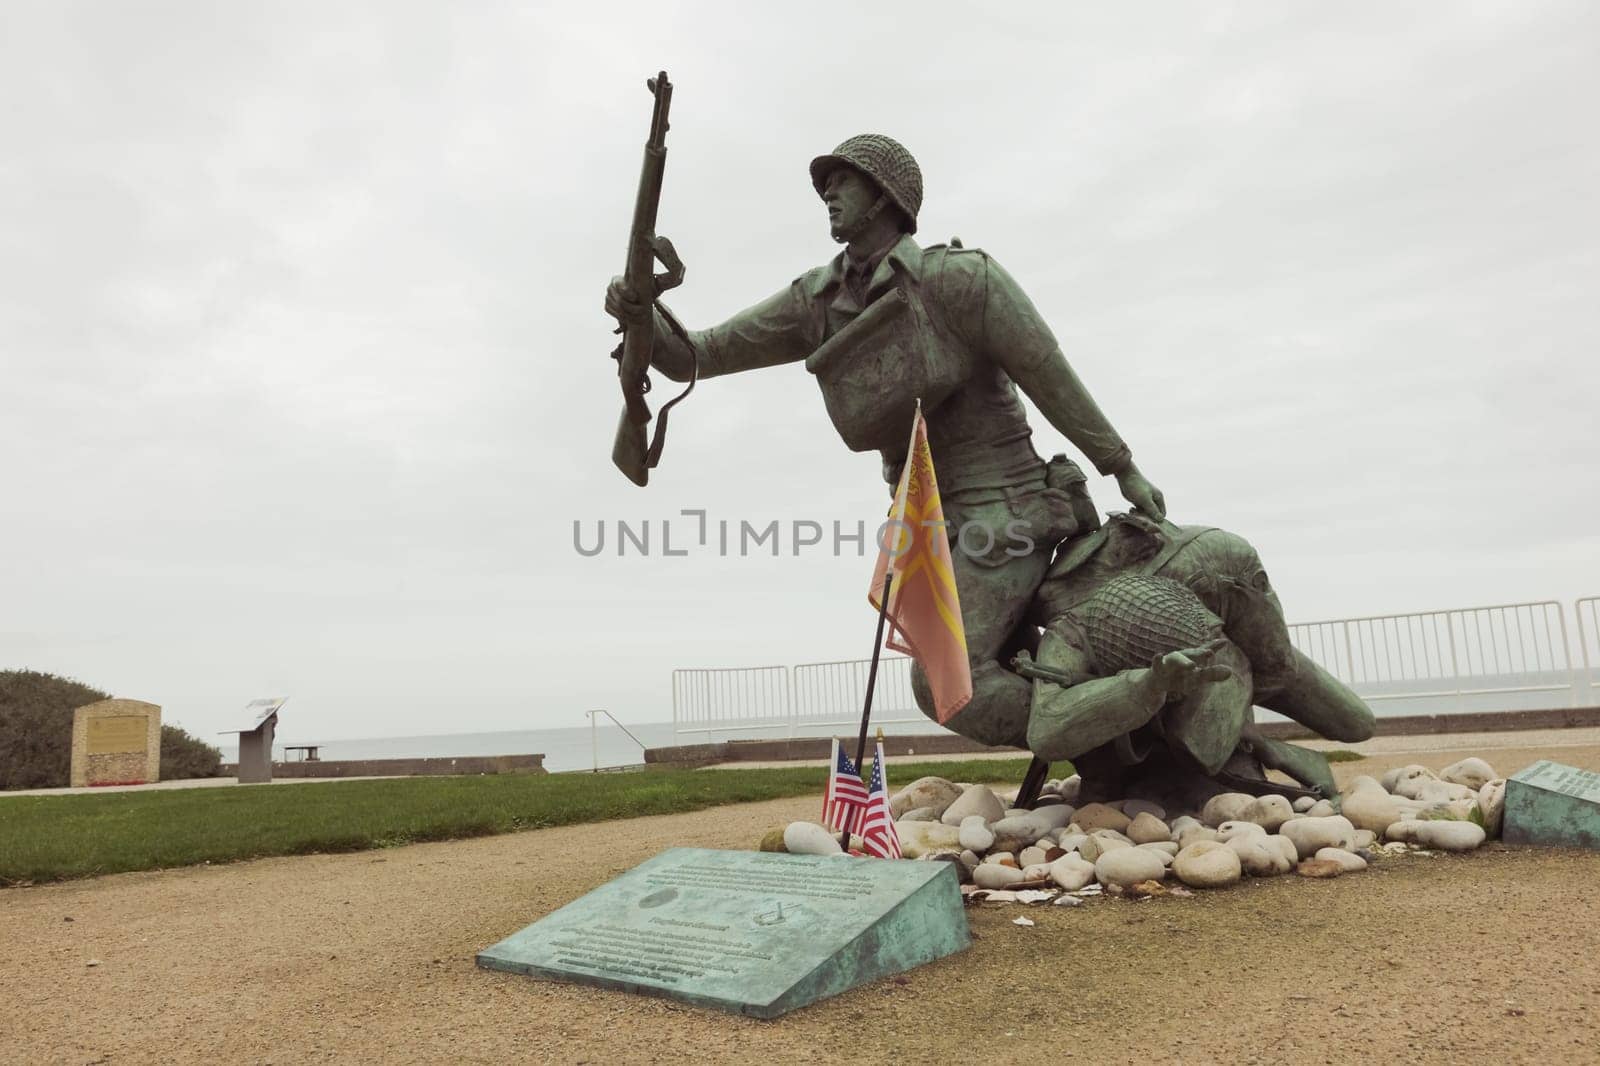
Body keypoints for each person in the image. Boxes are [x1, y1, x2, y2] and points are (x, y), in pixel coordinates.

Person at [605, 134, 1166, 748]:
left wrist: (1121, 466)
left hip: (1005, 510)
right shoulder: (815, 298)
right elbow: (698, 355)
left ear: (887, 196)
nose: (828, 193)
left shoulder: (959, 280)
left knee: (946, 684)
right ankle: (1114, 727)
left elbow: (1047, 372)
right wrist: (641, 312)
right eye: (827, 184)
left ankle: (1123, 725)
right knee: (947, 682)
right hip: (925, 526)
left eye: (844, 180)